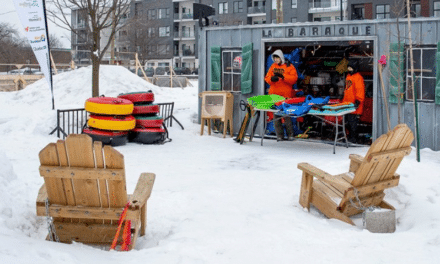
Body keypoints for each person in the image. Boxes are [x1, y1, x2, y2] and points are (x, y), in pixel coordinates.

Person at [264, 49, 298, 141]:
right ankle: (280, 136)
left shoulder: (289, 66)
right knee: (276, 116)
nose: (275, 60)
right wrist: (272, 79)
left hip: (285, 96)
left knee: (287, 116)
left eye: (277, 58)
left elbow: (294, 79)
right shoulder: (272, 66)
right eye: (274, 58)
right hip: (274, 96)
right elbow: (267, 78)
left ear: (281, 57)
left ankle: (290, 135)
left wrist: (284, 77)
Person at [342, 60, 365, 143]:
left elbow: (360, 90)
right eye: (349, 68)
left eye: (351, 68)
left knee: (352, 123)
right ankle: (350, 136)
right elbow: (347, 90)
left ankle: (353, 137)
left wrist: (358, 101)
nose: (349, 70)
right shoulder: (348, 76)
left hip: (354, 105)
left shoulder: (358, 77)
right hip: (347, 104)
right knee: (347, 122)